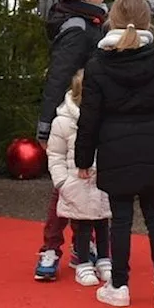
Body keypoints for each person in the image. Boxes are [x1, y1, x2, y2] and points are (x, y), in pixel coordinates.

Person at [33, 0, 154, 281]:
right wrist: (46, 125)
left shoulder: (92, 15)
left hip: (98, 115)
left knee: (99, 186)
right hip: (76, 117)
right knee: (68, 190)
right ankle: (51, 248)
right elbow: (58, 78)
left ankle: (90, 248)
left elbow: (124, 14)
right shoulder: (78, 28)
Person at [75, 0, 154, 308]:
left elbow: (90, 117)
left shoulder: (97, 66)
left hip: (114, 149)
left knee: (120, 219)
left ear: (112, 20)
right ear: (148, 21)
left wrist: (83, 158)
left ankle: (119, 285)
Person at [46, 69, 112, 287]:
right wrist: (63, 181)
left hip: (102, 181)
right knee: (81, 223)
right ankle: (80, 261)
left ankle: (104, 259)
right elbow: (55, 154)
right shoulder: (63, 122)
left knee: (103, 221)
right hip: (75, 182)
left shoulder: (107, 118)